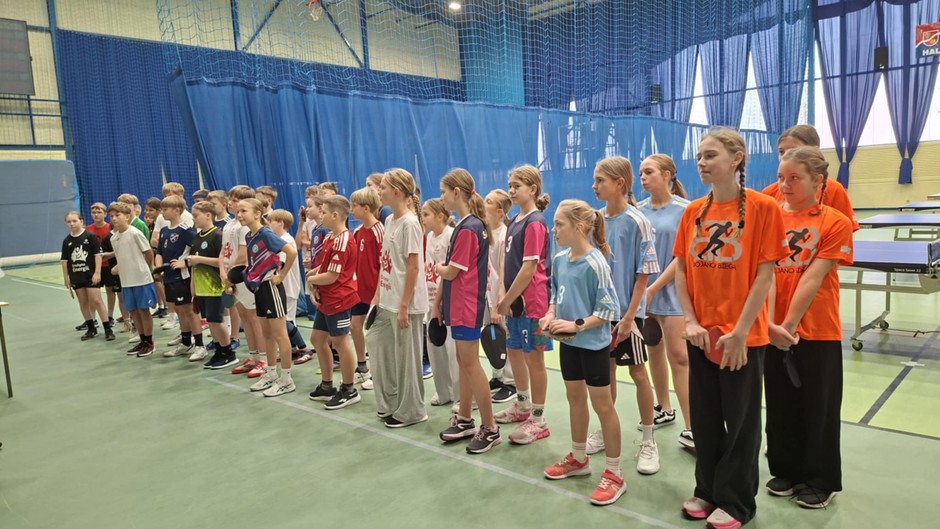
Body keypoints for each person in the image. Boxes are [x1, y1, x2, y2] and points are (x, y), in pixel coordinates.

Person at [675, 128, 788, 529]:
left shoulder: (763, 208)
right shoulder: (693, 211)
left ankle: (737, 502)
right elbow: (681, 272)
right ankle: (707, 490)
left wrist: (741, 332)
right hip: (701, 336)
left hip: (742, 338)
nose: (701, 162)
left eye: (710, 155)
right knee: (705, 419)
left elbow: (764, 276)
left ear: (737, 158)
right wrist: (690, 321)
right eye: (699, 156)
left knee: (741, 424)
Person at [765, 146, 853, 510]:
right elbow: (766, 272)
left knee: (819, 406)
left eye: (794, 178)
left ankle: (820, 479)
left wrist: (787, 325)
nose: (784, 185)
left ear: (818, 181)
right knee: (780, 404)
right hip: (771, 330)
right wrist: (770, 324)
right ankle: (785, 469)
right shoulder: (770, 216)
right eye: (781, 177)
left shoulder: (835, 221)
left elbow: (813, 278)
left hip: (817, 329)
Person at [540, 199, 624, 505]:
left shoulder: (595, 262)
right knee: (574, 399)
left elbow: (609, 310)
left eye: (559, 224)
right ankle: (578, 459)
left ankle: (615, 473)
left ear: (578, 227)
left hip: (593, 346)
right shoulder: (560, 258)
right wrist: (550, 315)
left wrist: (574, 325)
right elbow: (555, 294)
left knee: (603, 406)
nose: (554, 230)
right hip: (570, 346)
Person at [589, 156, 662, 474]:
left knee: (638, 373)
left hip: (628, 315)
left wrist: (630, 317)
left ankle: (648, 439)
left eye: (600, 180)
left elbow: (643, 274)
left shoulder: (637, 221)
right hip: (601, 316)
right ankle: (606, 430)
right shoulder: (595, 221)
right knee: (605, 374)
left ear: (620, 183)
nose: (594, 186)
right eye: (594, 180)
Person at [434, 169, 502, 454]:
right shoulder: (466, 225)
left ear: (456, 192)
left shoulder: (469, 228)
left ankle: (490, 428)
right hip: (459, 304)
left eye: (443, 192)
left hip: (467, 305)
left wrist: (437, 266)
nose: (441, 198)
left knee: (471, 364)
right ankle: (464, 419)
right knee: (464, 362)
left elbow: (452, 272)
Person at [637, 154, 694, 449]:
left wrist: (653, 288)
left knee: (680, 357)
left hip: (673, 294)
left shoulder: (686, 210)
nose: (643, 178)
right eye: (641, 173)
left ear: (668, 175)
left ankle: (693, 426)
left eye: (649, 172)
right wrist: (641, 291)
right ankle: (664, 408)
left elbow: (683, 257)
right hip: (645, 295)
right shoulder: (638, 211)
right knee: (654, 350)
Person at [494, 165, 553, 445]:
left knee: (534, 358)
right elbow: (507, 263)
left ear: (533, 189)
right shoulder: (514, 221)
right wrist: (502, 295)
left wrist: (507, 300)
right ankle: (522, 406)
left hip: (533, 304)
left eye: (517, 185)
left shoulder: (535, 222)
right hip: (514, 303)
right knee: (514, 351)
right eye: (510, 185)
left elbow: (529, 267)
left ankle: (538, 420)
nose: (512, 190)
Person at [366, 168, 429, 428]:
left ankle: (412, 411)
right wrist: (377, 296)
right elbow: (386, 262)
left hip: (406, 303)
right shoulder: (390, 220)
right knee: (376, 343)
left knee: (406, 360)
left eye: (383, 187)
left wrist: (404, 306)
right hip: (387, 299)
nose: (379, 192)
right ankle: (390, 403)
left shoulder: (410, 223)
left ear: (397, 191)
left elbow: (413, 267)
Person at [306, 196, 362, 410]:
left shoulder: (343, 240)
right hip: (327, 297)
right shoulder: (330, 236)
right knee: (317, 339)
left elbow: (332, 276)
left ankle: (349, 389)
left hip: (339, 298)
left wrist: (311, 280)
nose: (320, 216)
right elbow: (325, 267)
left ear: (335, 215)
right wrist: (314, 275)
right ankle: (327, 385)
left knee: (340, 342)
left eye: (324, 212)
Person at [239, 198, 298, 397]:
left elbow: (291, 251)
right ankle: (271, 374)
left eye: (244, 211)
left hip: (272, 288)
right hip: (259, 289)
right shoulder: (249, 235)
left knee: (280, 334)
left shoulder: (266, 234)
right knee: (267, 334)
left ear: (257, 213)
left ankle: (286, 380)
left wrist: (281, 275)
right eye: (238, 211)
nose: (239, 215)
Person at [761, 124, 858, 231]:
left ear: (815, 150)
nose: (786, 156)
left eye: (795, 150)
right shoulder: (769, 193)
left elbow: (844, 231)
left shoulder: (834, 189)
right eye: (781, 151)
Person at [187, 201, 237, 370]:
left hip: (216, 287)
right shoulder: (196, 237)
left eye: (196, 216)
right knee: (210, 321)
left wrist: (200, 259)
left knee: (216, 320)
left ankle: (228, 353)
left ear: (208, 215)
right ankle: (219, 351)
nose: (193, 219)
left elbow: (223, 261)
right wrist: (193, 288)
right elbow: (194, 264)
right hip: (201, 288)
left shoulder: (218, 235)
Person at [222, 186, 266, 377]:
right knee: (245, 319)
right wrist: (223, 273)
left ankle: (264, 359)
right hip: (232, 277)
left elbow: (242, 256)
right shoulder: (229, 224)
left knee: (255, 318)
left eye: (235, 200)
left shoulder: (245, 227)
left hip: (245, 277)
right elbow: (224, 251)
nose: (230, 203)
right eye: (231, 200)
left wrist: (230, 277)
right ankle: (253, 356)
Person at [155, 196, 203, 362]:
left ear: (177, 210)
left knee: (190, 311)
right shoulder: (164, 230)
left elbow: (197, 252)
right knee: (179, 310)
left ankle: (200, 345)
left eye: (165, 209)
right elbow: (159, 252)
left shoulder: (186, 230)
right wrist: (159, 268)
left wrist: (185, 262)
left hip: (183, 277)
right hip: (169, 277)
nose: (162, 212)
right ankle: (186, 342)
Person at [108, 201, 157, 357]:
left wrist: (146, 269)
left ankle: (149, 343)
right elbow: (121, 256)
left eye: (117, 215)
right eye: (112, 216)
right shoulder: (114, 238)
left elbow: (148, 253)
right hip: (126, 281)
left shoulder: (135, 233)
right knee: (134, 312)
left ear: (127, 216)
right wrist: (119, 267)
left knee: (144, 311)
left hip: (141, 280)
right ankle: (142, 340)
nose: (114, 218)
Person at [423, 198, 458, 407]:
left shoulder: (450, 235)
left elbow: (449, 272)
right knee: (435, 347)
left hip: (447, 301)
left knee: (452, 350)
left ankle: (460, 395)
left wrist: (439, 301)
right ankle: (443, 391)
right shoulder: (429, 236)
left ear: (440, 216)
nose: (423, 218)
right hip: (430, 299)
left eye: (426, 214)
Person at [482, 189, 516, 403]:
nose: (483, 204)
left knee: (505, 336)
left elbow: (504, 270)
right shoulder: (485, 234)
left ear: (500, 210)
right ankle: (497, 375)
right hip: (486, 294)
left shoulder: (505, 235)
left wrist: (499, 302)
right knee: (491, 336)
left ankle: (511, 382)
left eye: (488, 201)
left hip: (501, 297)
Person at [349, 187, 384, 390]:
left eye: (354, 206)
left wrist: (378, 294)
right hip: (359, 291)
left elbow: (384, 265)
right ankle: (362, 368)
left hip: (376, 294)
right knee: (355, 327)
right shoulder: (357, 232)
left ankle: (379, 374)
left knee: (376, 335)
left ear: (366, 208)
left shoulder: (379, 231)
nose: (351, 209)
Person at [61, 211, 112, 341]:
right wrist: (66, 278)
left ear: (81, 221)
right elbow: (65, 261)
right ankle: (91, 328)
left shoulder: (90, 236)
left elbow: (98, 255)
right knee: (83, 302)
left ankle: (107, 329)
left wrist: (97, 272)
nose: (72, 224)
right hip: (76, 276)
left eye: (74, 221)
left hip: (90, 275)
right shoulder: (67, 241)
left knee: (96, 301)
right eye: (69, 222)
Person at [268, 209, 311, 357]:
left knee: (285, 320)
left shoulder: (286, 240)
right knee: (284, 320)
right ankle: (293, 349)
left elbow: (279, 264)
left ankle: (303, 348)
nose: (268, 224)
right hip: (282, 287)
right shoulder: (279, 239)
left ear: (281, 223)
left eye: (271, 221)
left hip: (288, 287)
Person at [86, 203, 118, 330]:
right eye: (93, 212)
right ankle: (92, 319)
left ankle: (110, 317)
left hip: (109, 266)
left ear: (105, 214)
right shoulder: (87, 230)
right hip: (94, 268)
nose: (96, 215)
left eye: (99, 212)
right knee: (93, 294)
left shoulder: (110, 228)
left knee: (110, 291)